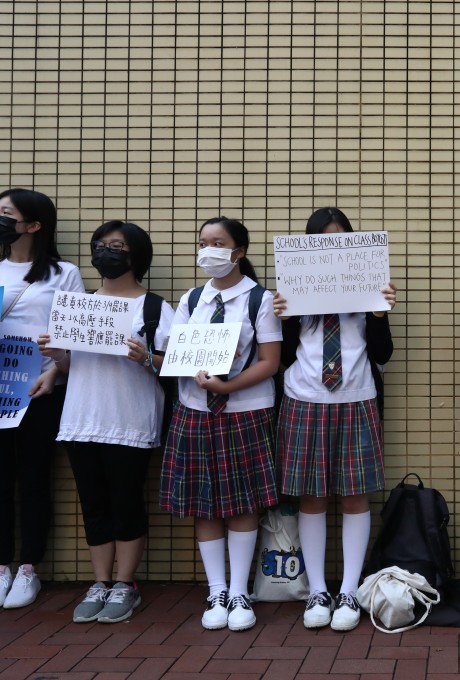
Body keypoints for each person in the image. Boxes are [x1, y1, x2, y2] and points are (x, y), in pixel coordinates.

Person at [40, 221, 174, 623]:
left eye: (118, 246)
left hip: (130, 420)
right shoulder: (77, 305)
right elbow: (67, 365)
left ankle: (125, 584)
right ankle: (100, 581)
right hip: (82, 418)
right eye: (101, 245)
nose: (107, 252)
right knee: (93, 504)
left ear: (136, 256)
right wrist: (56, 353)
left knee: (127, 502)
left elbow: (176, 368)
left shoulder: (154, 308)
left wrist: (145, 357)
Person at [273, 207, 397, 632]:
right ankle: (317, 590)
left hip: (356, 396)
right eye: (324, 240)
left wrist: (380, 313)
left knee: (355, 495)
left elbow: (382, 354)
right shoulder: (295, 292)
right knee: (310, 496)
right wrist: (284, 317)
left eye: (341, 239)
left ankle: (348, 589)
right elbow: (283, 357)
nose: (333, 249)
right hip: (304, 397)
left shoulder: (366, 290)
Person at [159, 217, 282, 632]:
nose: (209, 250)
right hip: (194, 410)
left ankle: (239, 591)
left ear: (239, 252)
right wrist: (172, 365)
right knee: (203, 502)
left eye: (219, 243)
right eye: (203, 242)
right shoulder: (191, 299)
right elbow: (177, 352)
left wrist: (226, 384)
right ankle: (216, 590)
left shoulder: (259, 300)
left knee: (243, 501)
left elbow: (270, 361)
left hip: (245, 411)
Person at [0, 188, 85, 609]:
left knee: (33, 478)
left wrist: (54, 372)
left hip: (40, 389)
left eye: (5, 214)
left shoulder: (62, 274)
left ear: (33, 225)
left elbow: (74, 338)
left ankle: (29, 567)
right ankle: (1, 567)